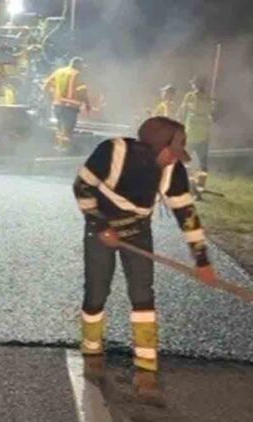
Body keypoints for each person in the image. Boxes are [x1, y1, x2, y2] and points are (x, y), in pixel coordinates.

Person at [72, 117, 218, 399]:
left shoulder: (172, 170)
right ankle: (92, 353)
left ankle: (146, 369)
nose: (175, 158)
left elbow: (186, 215)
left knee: (142, 295)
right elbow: (82, 187)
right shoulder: (111, 152)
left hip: (138, 232)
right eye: (172, 151)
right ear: (156, 149)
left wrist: (202, 261)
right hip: (101, 229)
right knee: (96, 292)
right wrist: (101, 225)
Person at [43, 57, 91, 151]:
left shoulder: (58, 72)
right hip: (70, 107)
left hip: (57, 105)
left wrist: (49, 98)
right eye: (81, 66)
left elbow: (46, 86)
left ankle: (59, 147)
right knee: (67, 129)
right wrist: (87, 104)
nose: (82, 68)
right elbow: (82, 92)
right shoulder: (77, 74)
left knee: (60, 126)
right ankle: (65, 148)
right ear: (77, 65)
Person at [178, 76, 214, 196]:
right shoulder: (206, 98)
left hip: (195, 135)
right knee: (198, 163)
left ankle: (192, 185)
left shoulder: (194, 97)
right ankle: (195, 186)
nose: (194, 86)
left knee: (191, 161)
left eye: (194, 84)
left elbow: (181, 113)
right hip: (197, 135)